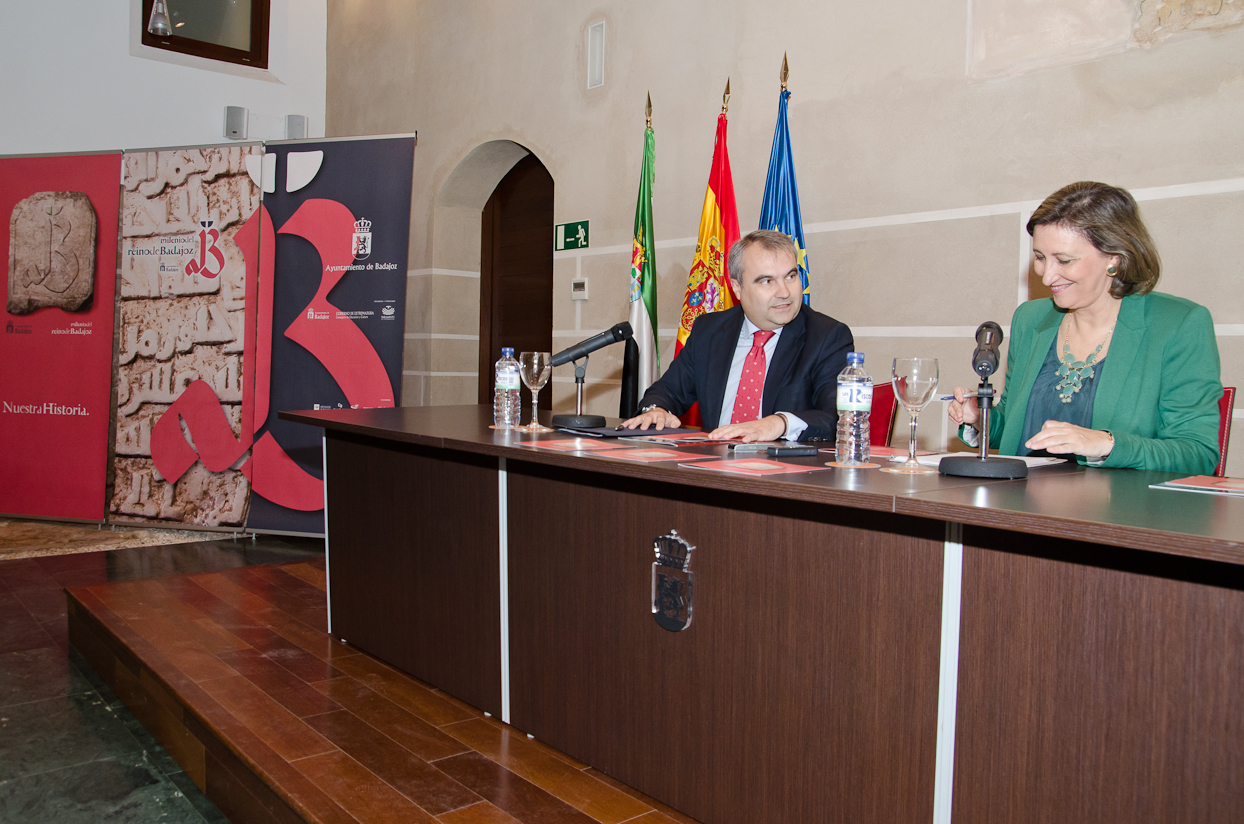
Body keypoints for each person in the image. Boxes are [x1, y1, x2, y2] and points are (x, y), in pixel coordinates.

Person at [948, 181, 1222, 474]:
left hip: (1116, 513)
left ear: (1115, 258)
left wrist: (1106, 444)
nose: (1047, 275)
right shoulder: (1030, 320)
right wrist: (980, 417)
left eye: (1064, 260)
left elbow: (1198, 452)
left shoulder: (1178, 324)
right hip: (1019, 508)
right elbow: (1020, 433)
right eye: (1040, 258)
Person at [621, 230, 854, 442]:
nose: (784, 292)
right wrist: (657, 409)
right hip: (712, 469)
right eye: (767, 281)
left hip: (783, 475)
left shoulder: (827, 337)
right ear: (737, 288)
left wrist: (779, 423)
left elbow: (838, 418)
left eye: (790, 276)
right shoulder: (710, 331)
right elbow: (668, 390)